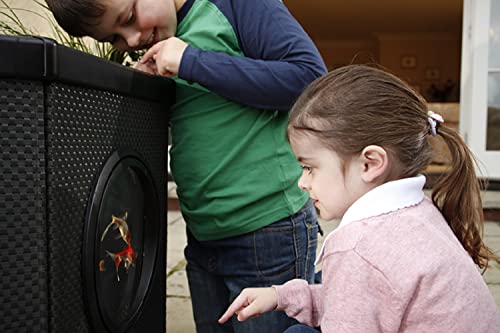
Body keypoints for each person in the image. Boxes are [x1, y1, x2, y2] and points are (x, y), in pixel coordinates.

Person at [45, 0, 327, 332]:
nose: (132, 39)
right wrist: (146, 93)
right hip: (203, 237)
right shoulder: (160, 49)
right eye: (115, 39)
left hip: (267, 232)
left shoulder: (234, 6)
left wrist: (191, 61)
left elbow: (310, 78)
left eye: (129, 18)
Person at [219, 65, 500, 332]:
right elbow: (366, 299)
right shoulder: (419, 213)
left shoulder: (357, 247)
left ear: (370, 164)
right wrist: (282, 296)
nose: (302, 183)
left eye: (309, 168)